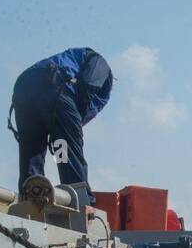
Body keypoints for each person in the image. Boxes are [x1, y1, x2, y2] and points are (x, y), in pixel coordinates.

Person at [9, 48, 114, 192]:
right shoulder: (101, 64)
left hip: (23, 86)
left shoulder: (75, 58)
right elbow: (89, 84)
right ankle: (80, 198)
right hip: (52, 85)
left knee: (32, 151)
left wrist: (60, 131)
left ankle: (31, 195)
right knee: (67, 149)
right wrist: (70, 124)